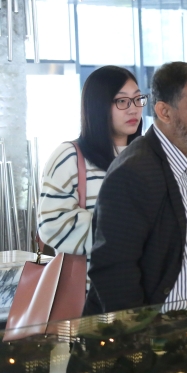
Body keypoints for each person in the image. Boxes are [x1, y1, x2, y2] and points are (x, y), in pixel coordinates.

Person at [84, 61, 187, 315]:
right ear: (164, 111)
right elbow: (114, 269)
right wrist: (140, 332)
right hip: (162, 329)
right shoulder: (135, 170)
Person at [38, 66, 144, 287]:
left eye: (137, 99)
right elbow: (51, 224)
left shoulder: (147, 156)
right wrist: (121, 229)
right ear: (98, 106)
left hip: (143, 290)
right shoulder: (69, 156)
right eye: (122, 101)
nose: (133, 109)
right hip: (87, 291)